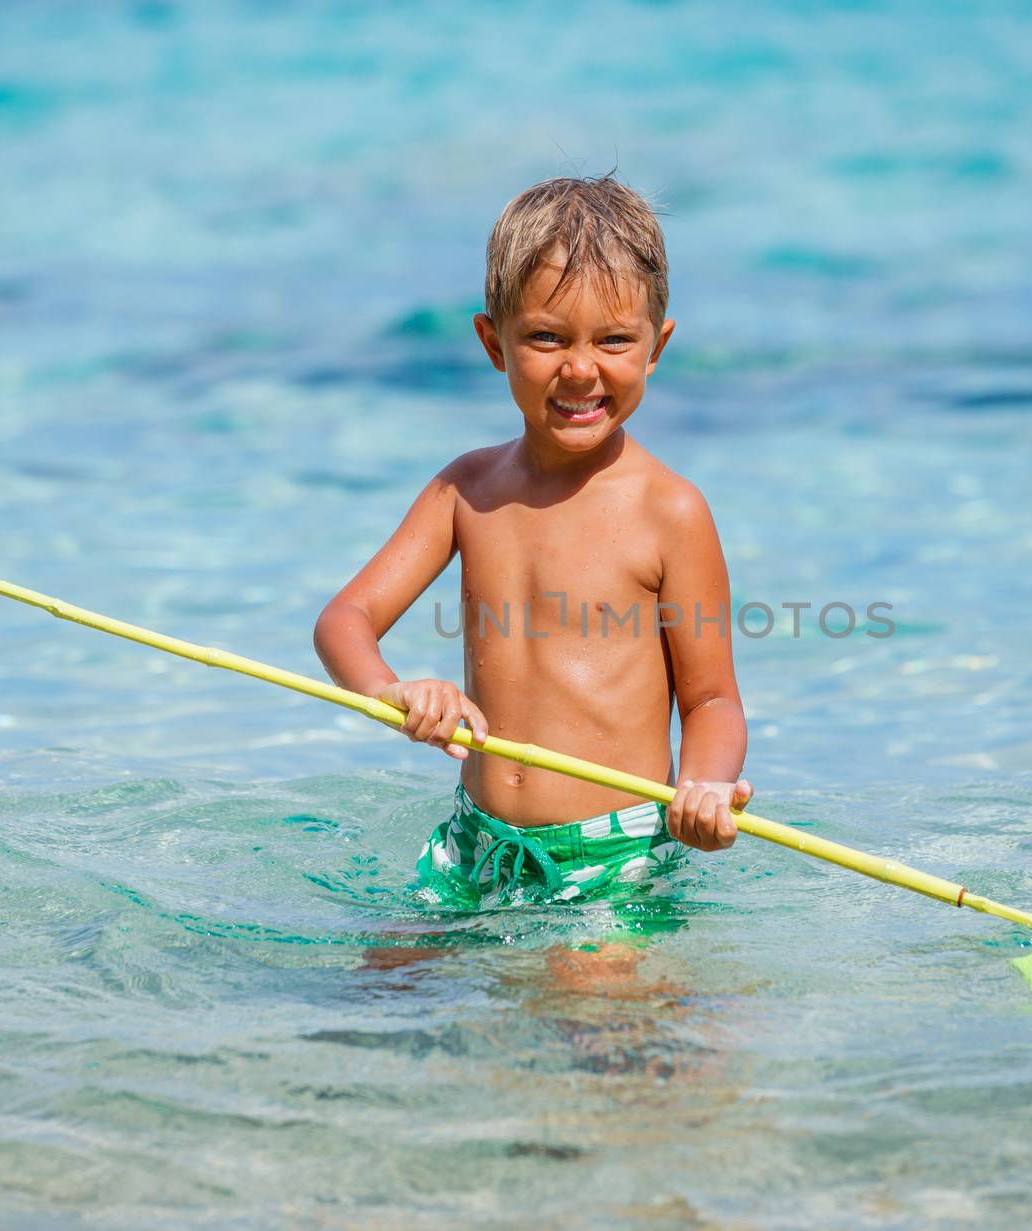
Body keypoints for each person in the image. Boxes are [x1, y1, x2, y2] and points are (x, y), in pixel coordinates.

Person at [315, 175, 752, 914]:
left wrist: (704, 789)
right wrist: (392, 690)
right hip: (475, 844)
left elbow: (710, 698)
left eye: (614, 341)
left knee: (588, 1014)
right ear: (494, 342)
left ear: (656, 347)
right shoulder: (466, 490)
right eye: (547, 337)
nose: (581, 369)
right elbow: (343, 621)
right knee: (378, 998)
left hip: (613, 853)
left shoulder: (669, 510)